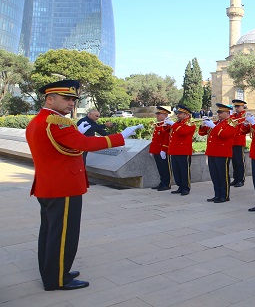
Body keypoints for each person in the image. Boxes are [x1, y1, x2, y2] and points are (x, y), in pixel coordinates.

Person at [26, 80, 141, 291]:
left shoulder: (41, 120)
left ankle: (53, 270)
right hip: (63, 187)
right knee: (63, 235)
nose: (71, 103)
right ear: (50, 99)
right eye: (66, 99)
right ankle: (57, 279)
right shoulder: (55, 122)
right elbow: (84, 144)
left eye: (73, 99)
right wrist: (121, 137)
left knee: (51, 232)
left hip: (50, 185)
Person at [199, 103, 237, 203]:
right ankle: (217, 194)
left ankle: (224, 195)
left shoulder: (231, 123)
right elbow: (202, 133)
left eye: (221, 112)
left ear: (227, 113)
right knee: (215, 175)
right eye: (218, 112)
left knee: (222, 175)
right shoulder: (217, 123)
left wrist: (213, 126)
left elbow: (224, 134)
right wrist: (203, 125)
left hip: (222, 153)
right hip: (212, 152)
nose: (218, 114)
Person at [165, 105, 196, 196]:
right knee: (176, 170)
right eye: (177, 113)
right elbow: (168, 131)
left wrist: (173, 124)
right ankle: (180, 186)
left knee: (184, 170)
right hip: (174, 150)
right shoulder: (177, 123)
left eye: (180, 114)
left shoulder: (190, 123)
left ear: (186, 114)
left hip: (183, 150)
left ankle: (186, 187)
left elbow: (183, 132)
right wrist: (166, 124)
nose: (177, 115)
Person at [150, 106, 172, 191]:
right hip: (157, 150)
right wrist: (152, 150)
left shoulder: (168, 124)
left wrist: (164, 149)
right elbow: (155, 139)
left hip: (163, 150)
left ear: (165, 115)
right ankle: (162, 182)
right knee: (160, 167)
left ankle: (167, 184)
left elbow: (167, 138)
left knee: (165, 167)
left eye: (159, 114)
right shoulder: (158, 124)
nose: (157, 116)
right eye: (157, 114)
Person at [230, 99, 248, 187]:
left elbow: (242, 126)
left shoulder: (245, 115)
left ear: (242, 106)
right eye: (235, 106)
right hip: (232, 141)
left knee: (240, 161)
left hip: (239, 140)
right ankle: (236, 178)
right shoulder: (234, 115)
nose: (236, 108)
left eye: (238, 106)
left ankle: (241, 179)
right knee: (234, 161)